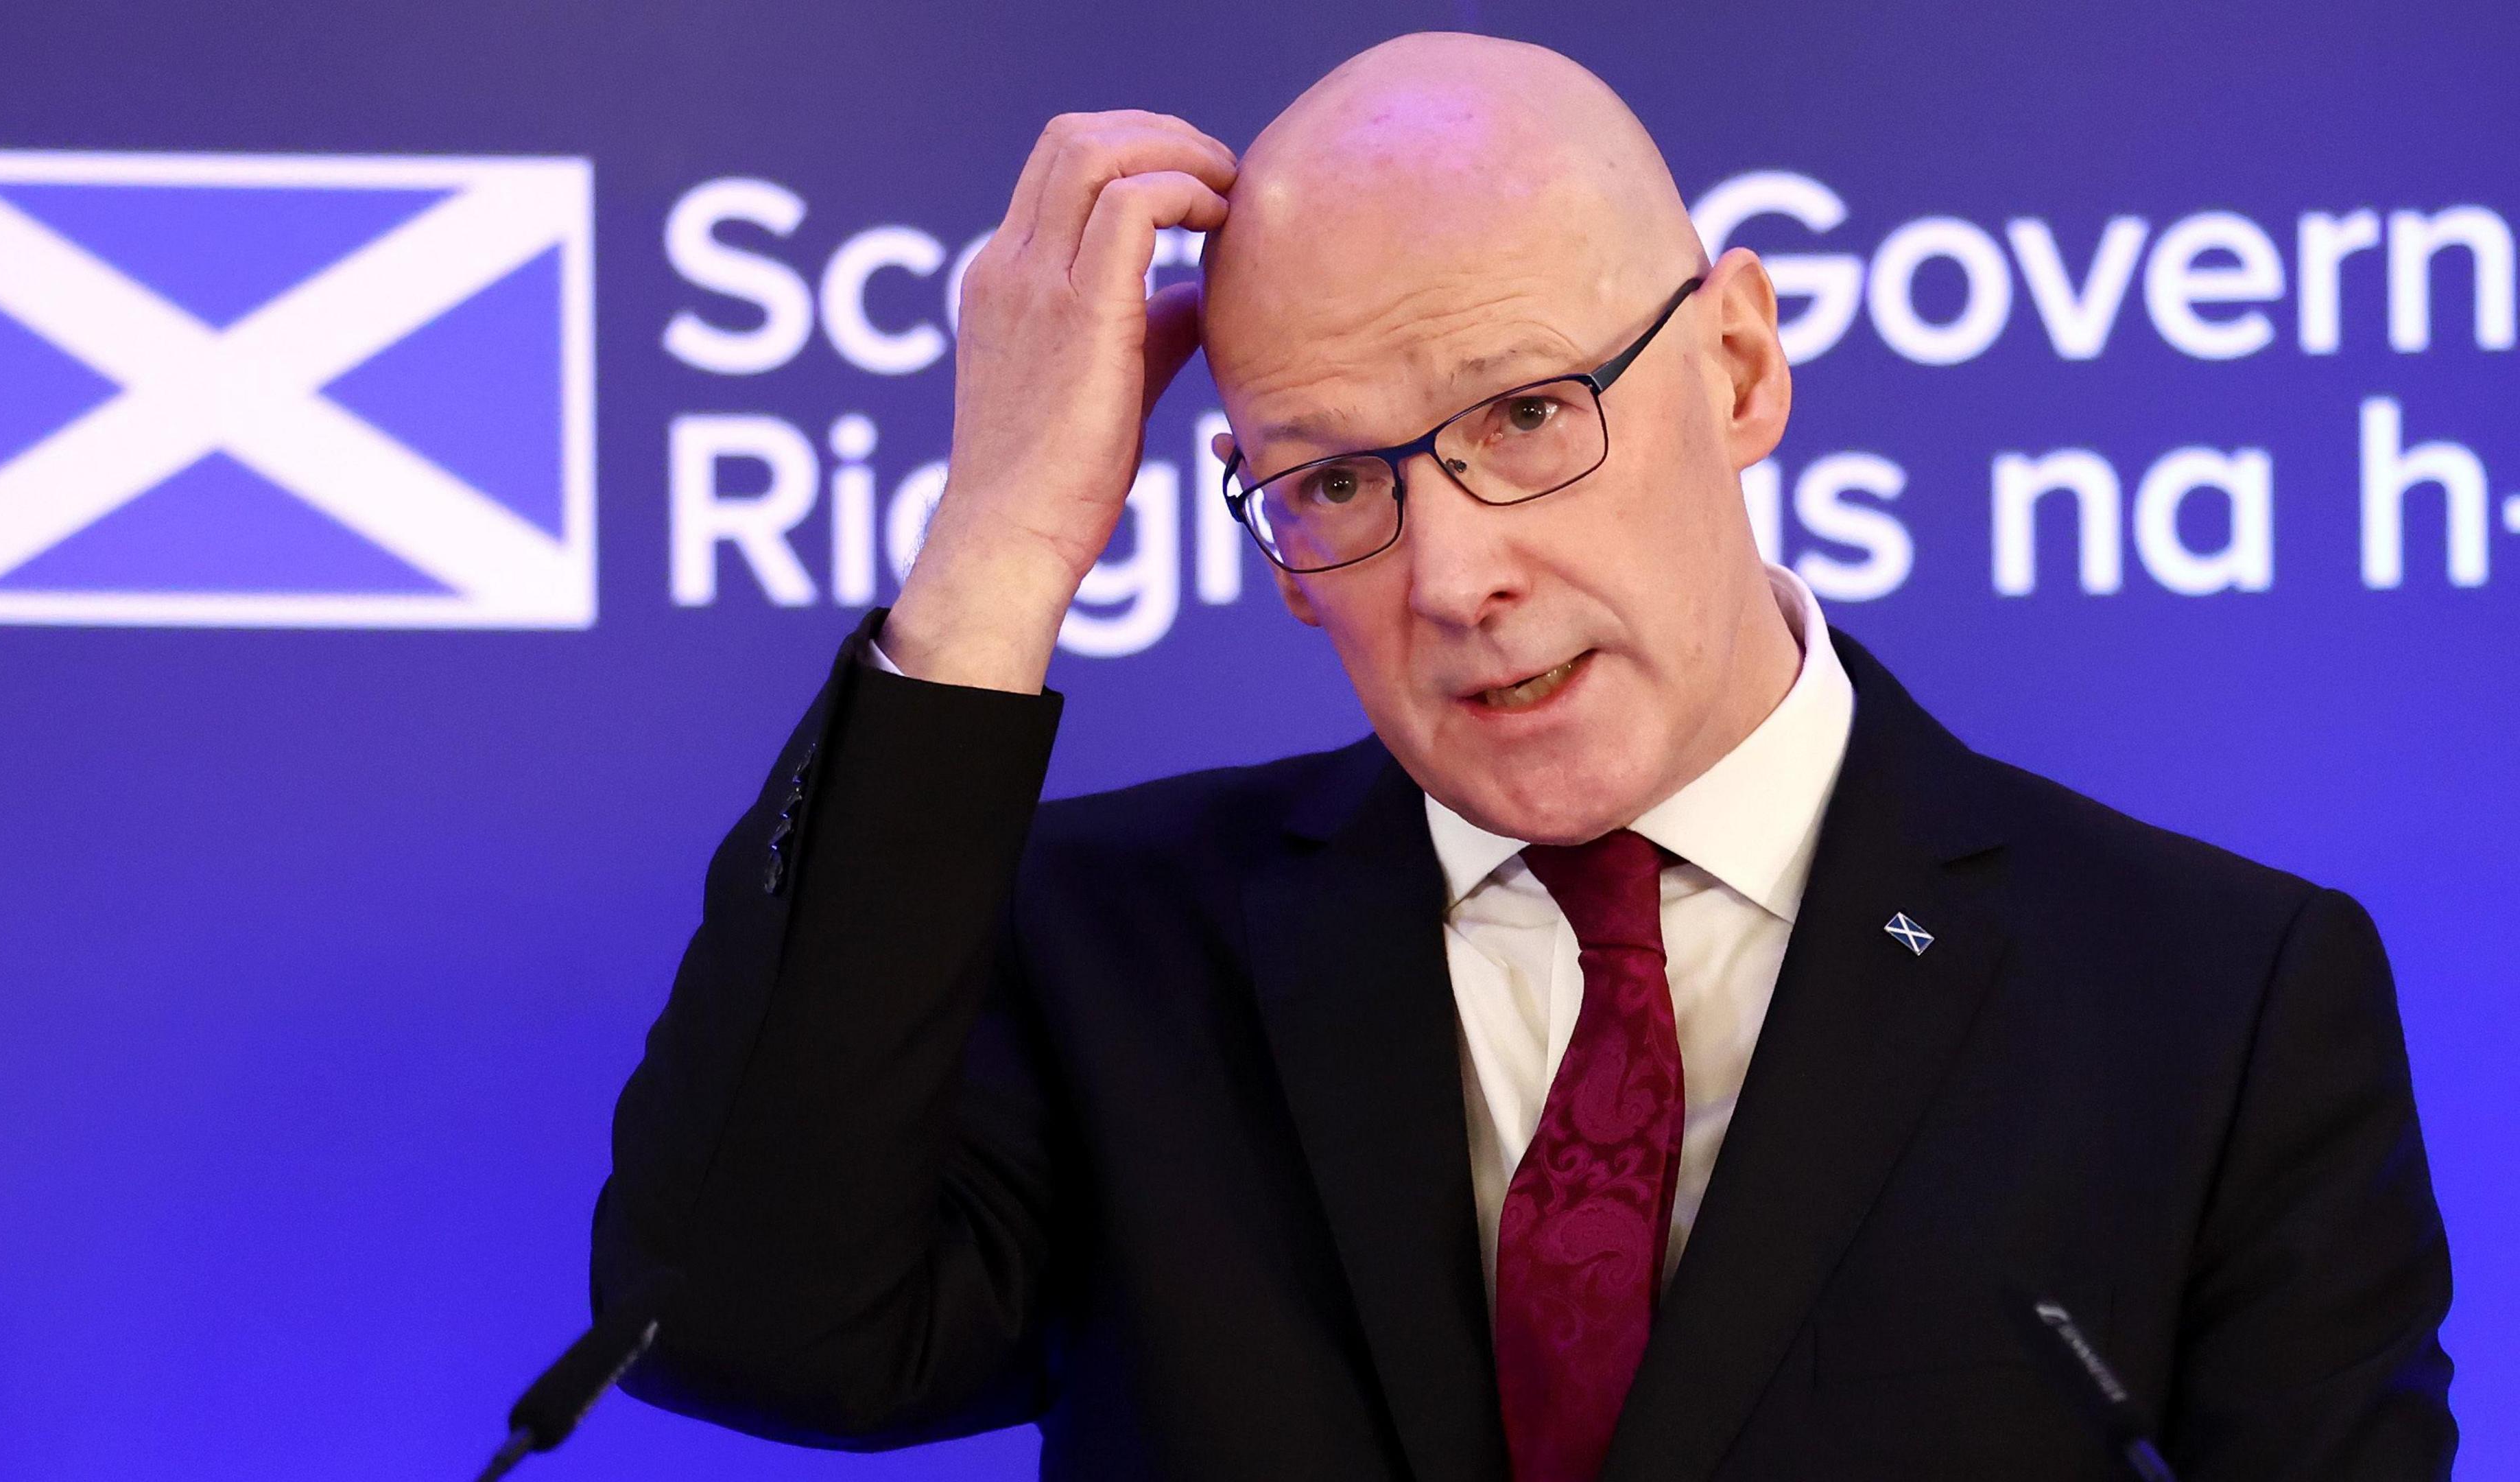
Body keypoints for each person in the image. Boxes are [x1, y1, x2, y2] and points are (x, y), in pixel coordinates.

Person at [591, 32, 2453, 1481]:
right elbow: (732, 1327)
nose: (1459, 575)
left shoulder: (2214, 1001)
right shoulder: (1110, 951)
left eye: (1528, 412)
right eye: (1331, 482)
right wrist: (996, 553)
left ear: (1735, 369)